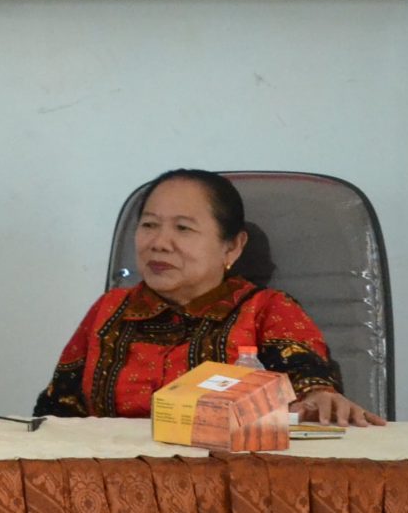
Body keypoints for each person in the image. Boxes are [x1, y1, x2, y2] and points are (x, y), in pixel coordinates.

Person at [34, 168, 383, 425]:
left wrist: (319, 397)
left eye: (183, 228)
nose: (159, 242)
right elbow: (58, 414)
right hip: (111, 485)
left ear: (232, 245)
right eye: (149, 225)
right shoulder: (110, 310)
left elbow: (309, 383)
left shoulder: (267, 310)